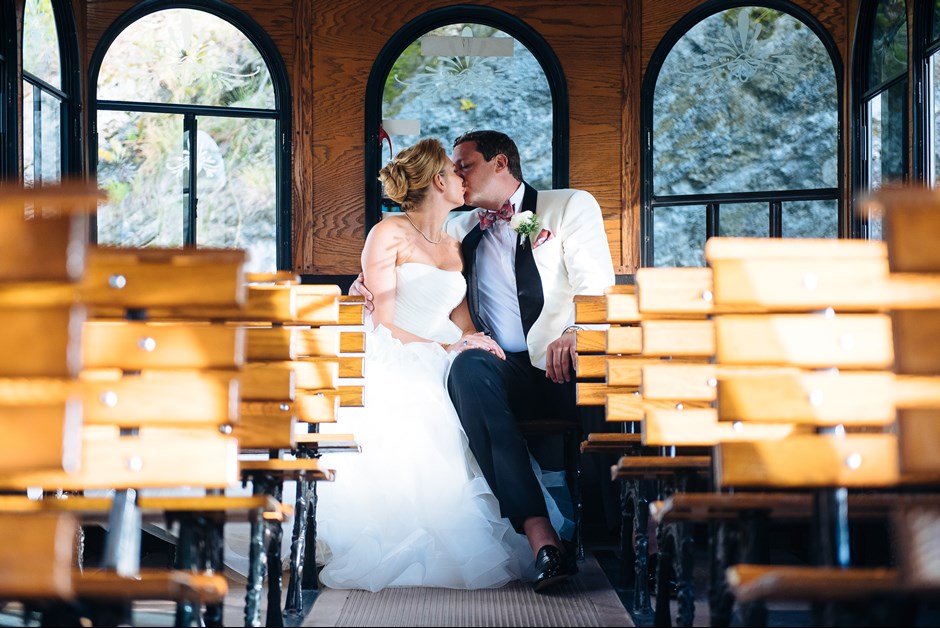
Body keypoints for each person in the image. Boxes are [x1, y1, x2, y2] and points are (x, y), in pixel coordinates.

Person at [352, 130, 616, 592]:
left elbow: (597, 286)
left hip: (560, 359)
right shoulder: (458, 227)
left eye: (465, 165)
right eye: (451, 168)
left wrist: (576, 332)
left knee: (611, 384)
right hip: (499, 364)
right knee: (468, 370)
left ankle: (628, 535)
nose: (456, 175)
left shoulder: (569, 206)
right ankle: (541, 538)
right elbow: (413, 266)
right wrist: (364, 287)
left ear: (500, 164)